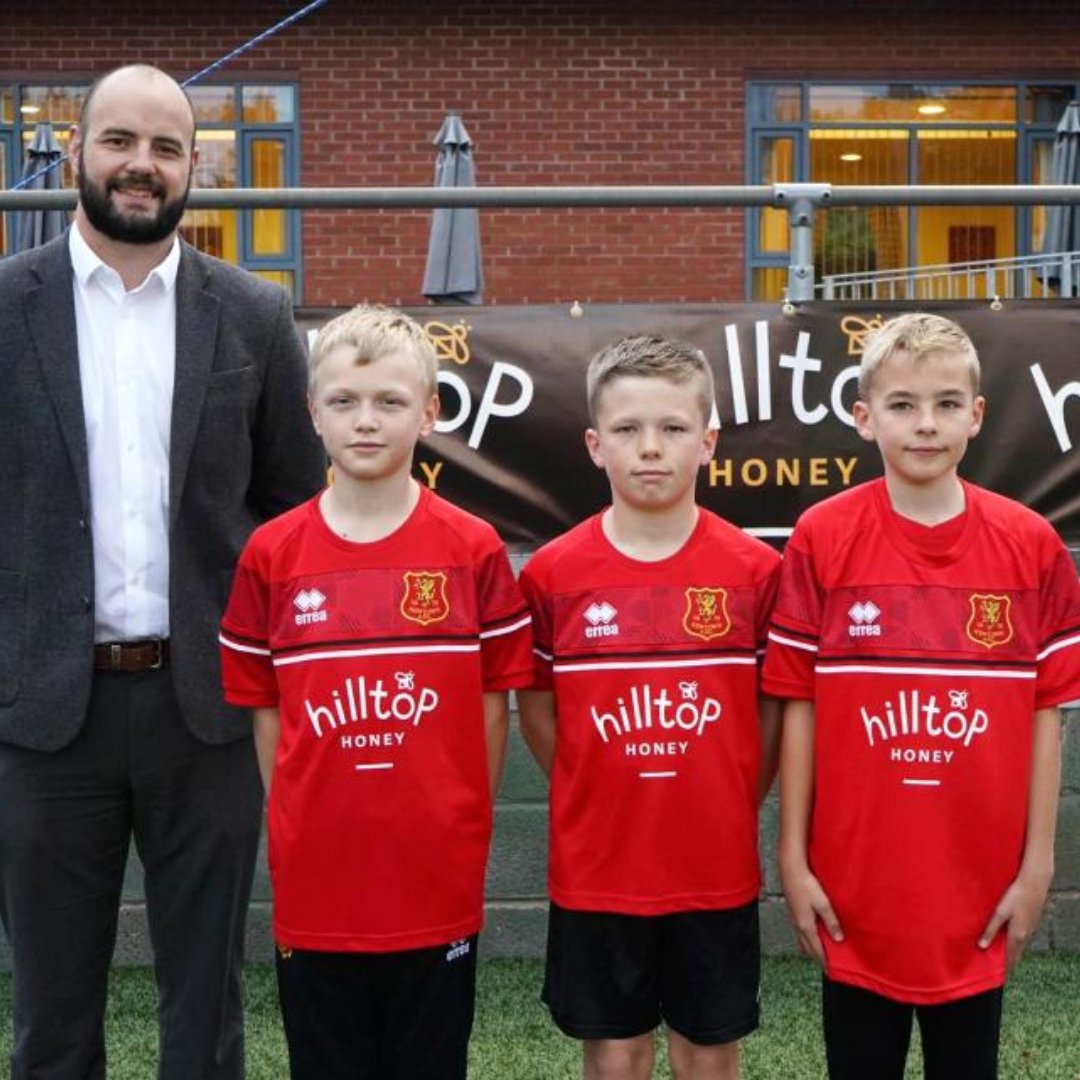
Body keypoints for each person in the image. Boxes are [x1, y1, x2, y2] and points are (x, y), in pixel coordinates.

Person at [0, 64, 325, 1080]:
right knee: (52, 1018)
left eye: (168, 148)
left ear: (196, 168)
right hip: (44, 720)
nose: (142, 166)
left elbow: (292, 510)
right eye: (120, 141)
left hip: (206, 712)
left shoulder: (255, 316)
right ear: (74, 151)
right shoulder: (7, 307)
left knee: (206, 1009)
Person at [219, 304, 533, 1080]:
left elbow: (492, 706)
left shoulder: (471, 547)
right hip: (319, 880)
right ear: (312, 413)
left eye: (391, 402)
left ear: (428, 413)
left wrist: (460, 823)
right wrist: (298, 819)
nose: (367, 422)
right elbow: (268, 714)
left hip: (434, 876)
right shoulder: (272, 553)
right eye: (345, 401)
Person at [763, 312, 1080, 1080]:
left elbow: (1048, 717)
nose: (925, 424)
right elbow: (797, 705)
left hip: (977, 889)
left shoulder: (1032, 545)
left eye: (945, 404)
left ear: (976, 415)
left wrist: (1038, 866)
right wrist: (793, 858)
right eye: (902, 405)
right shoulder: (821, 536)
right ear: (863, 416)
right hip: (855, 886)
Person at [517, 335, 782, 1080]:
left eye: (672, 428)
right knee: (615, 1050)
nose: (651, 448)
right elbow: (537, 703)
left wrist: (737, 792)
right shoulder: (554, 575)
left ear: (709, 442)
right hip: (599, 865)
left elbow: (772, 706)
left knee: (709, 1048)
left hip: (712, 864)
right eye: (629, 430)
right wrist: (586, 779)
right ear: (595, 446)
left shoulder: (757, 572)